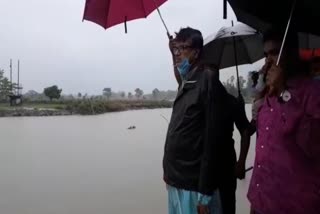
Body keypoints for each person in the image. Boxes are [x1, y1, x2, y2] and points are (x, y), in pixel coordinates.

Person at [248, 28, 320, 214]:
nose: (269, 60)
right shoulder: (269, 94)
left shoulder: (311, 92)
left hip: (293, 205)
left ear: (290, 54)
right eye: (266, 54)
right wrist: (255, 199)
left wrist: (283, 94)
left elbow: (313, 146)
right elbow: (262, 151)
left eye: (275, 52)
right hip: (262, 202)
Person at [163, 27, 227, 214]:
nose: (178, 54)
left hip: (193, 186)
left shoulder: (207, 80)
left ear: (196, 52)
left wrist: (205, 193)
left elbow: (212, 140)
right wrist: (171, 52)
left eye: (183, 48)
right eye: (177, 49)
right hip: (176, 180)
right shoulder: (187, 82)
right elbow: (179, 75)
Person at [214, 91, 251, 214]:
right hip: (204, 168)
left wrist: (241, 162)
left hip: (226, 165)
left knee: (227, 207)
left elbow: (245, 131)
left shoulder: (230, 101)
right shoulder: (200, 98)